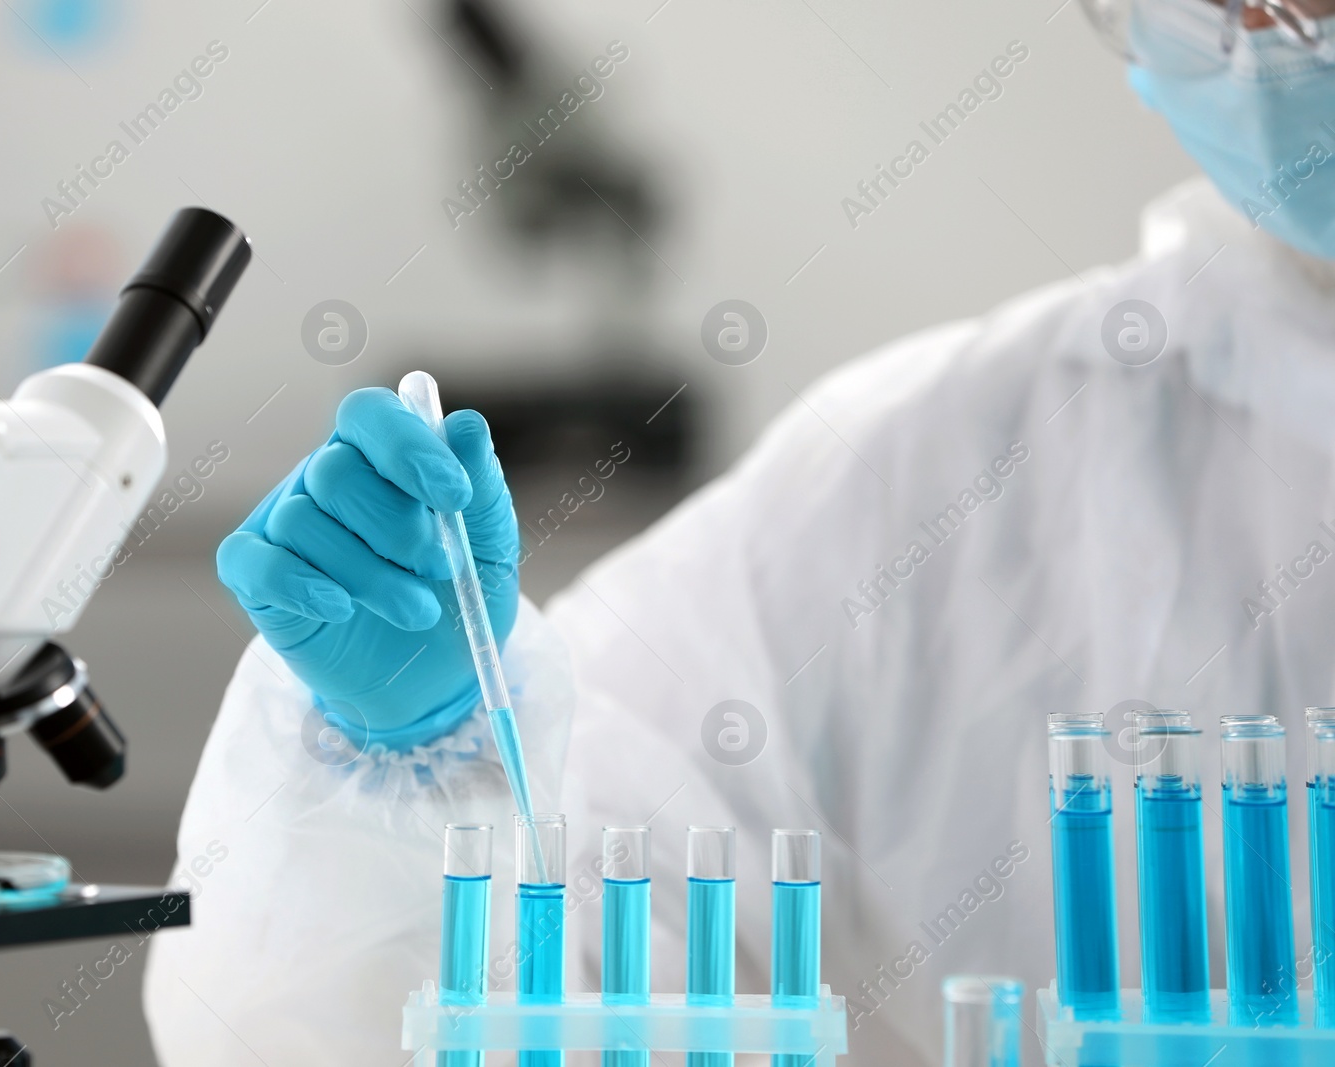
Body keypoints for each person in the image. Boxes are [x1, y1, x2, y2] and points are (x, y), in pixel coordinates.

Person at [146, 0, 1335, 1061]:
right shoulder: (929, 472)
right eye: (1233, 6)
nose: (1282, 41)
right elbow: (498, 1007)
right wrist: (415, 775)